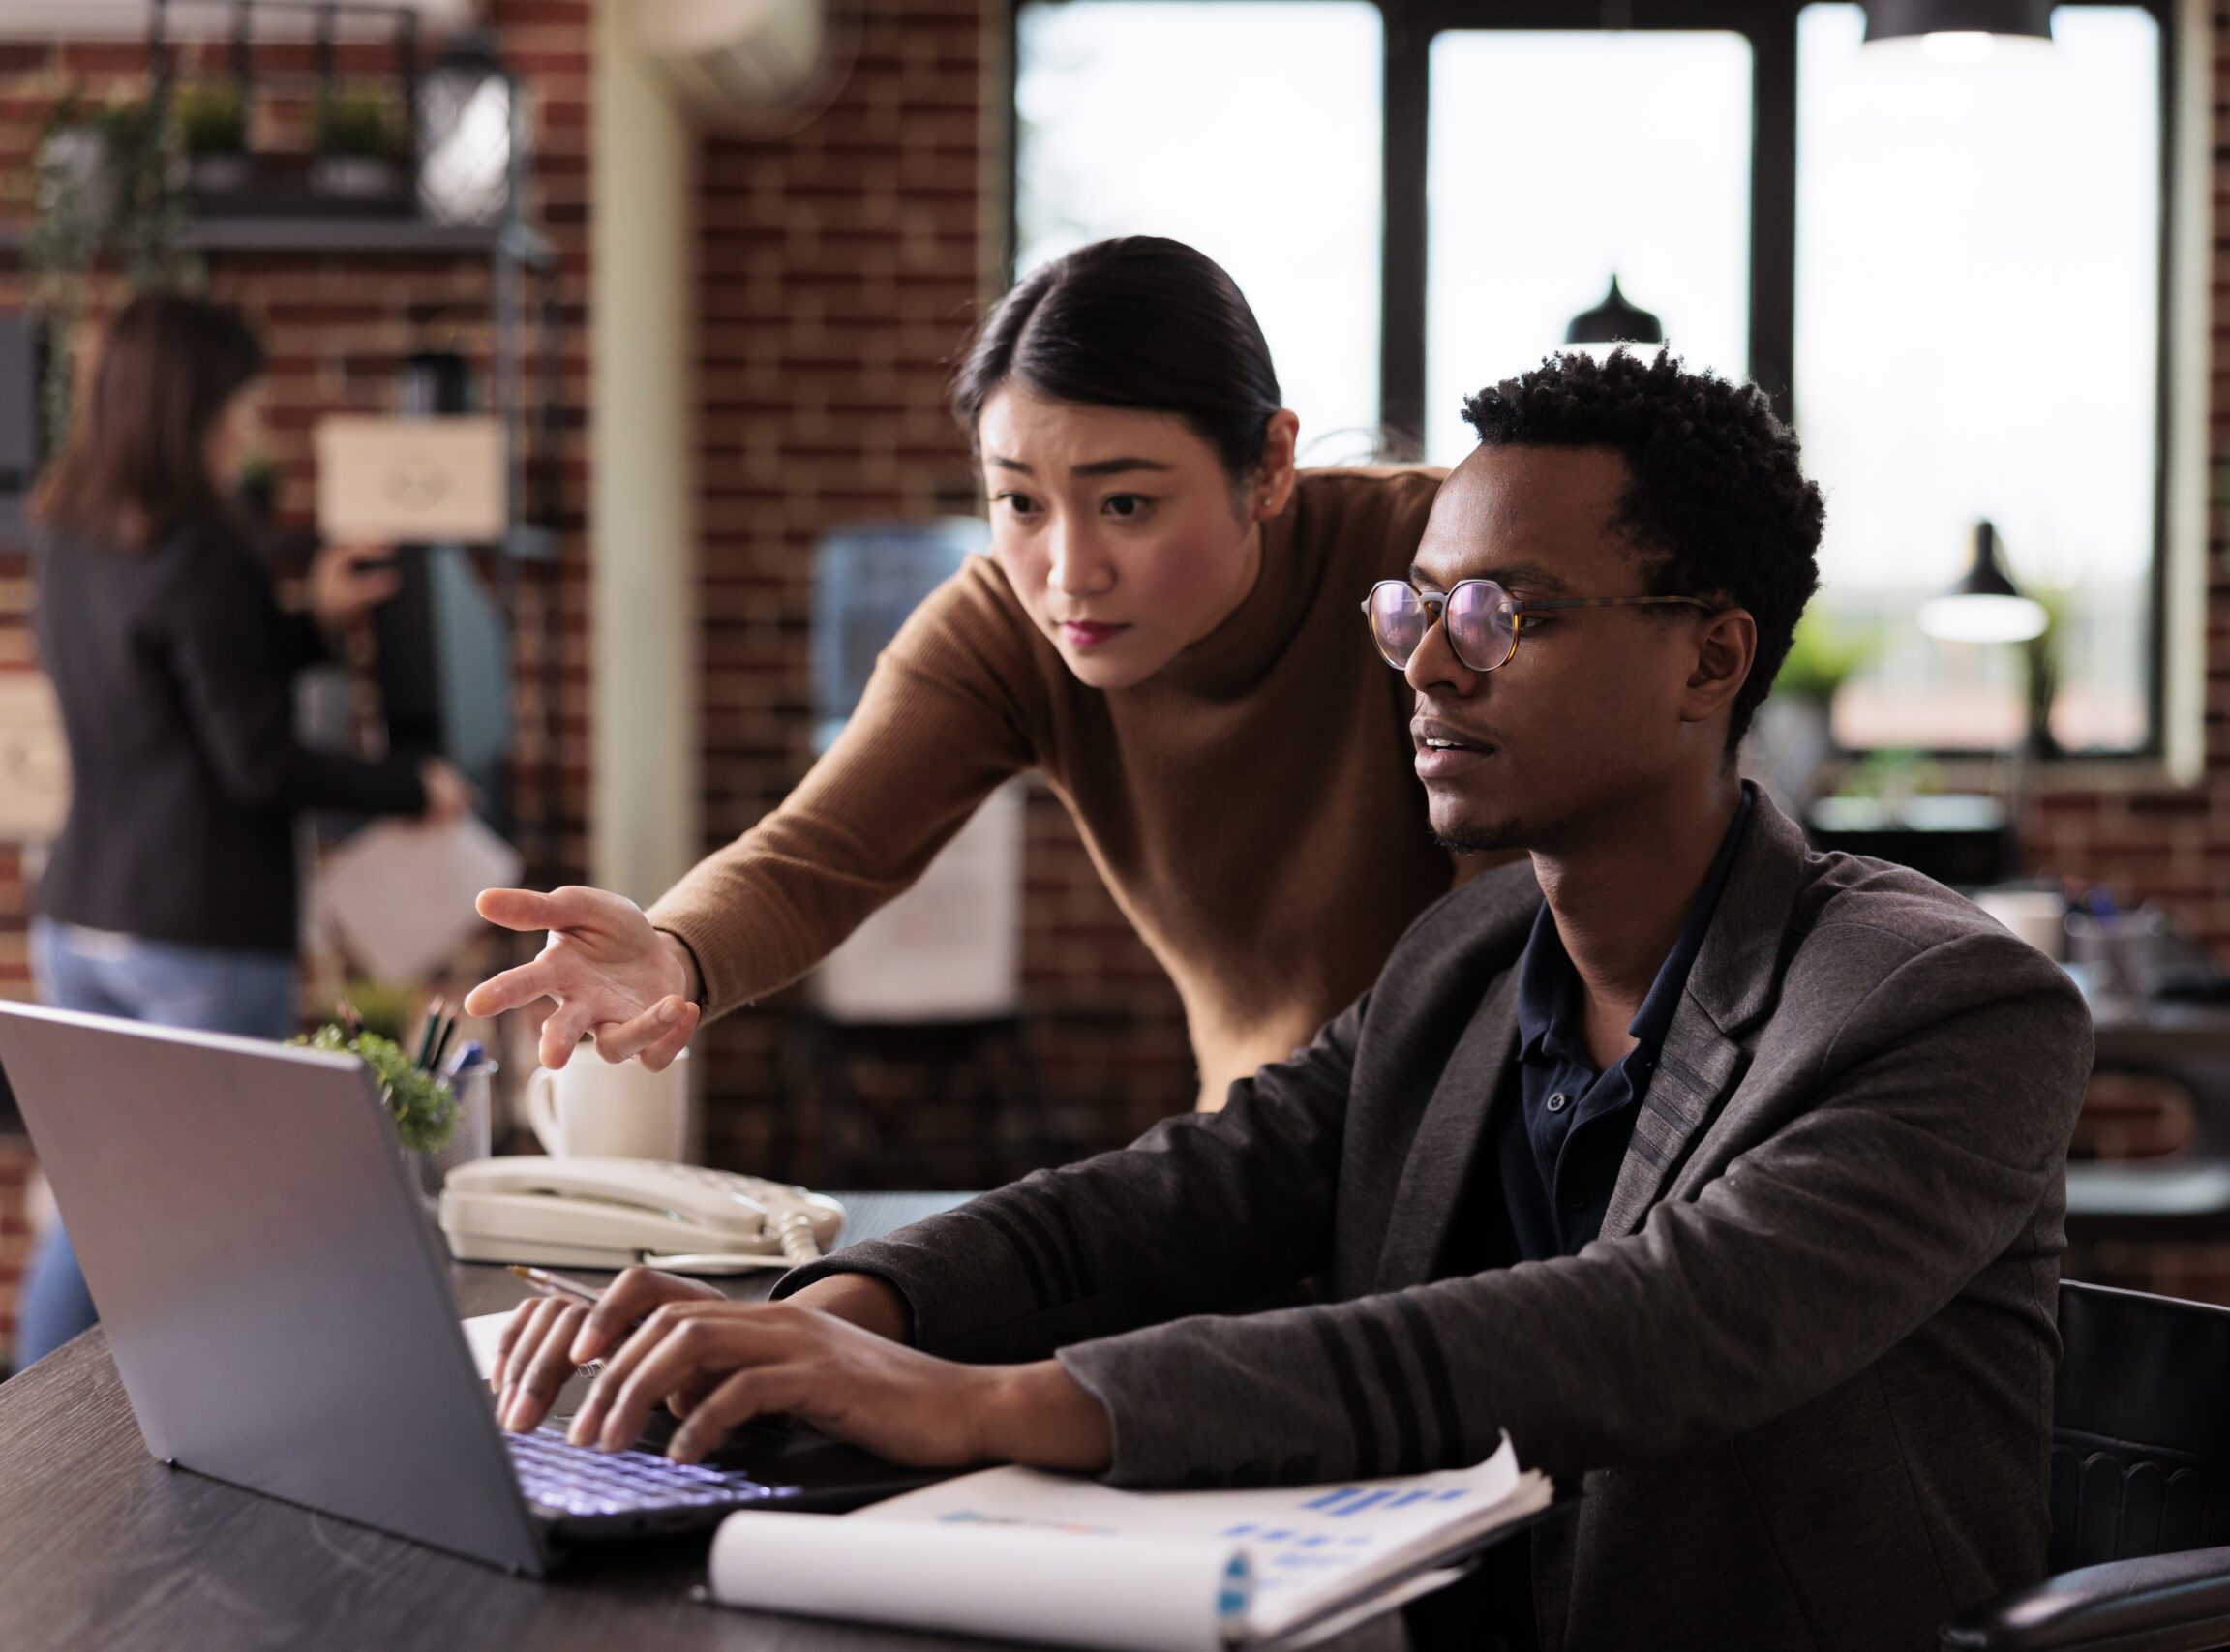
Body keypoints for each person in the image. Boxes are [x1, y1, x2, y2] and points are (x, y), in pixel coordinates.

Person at [492, 350, 2094, 1648]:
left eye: (1502, 615)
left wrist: (988, 1401)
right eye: (1417, 610)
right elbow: (1181, 1194)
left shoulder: (1945, 1004)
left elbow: (1650, 1328)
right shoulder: (1466, 958)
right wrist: (841, 1317)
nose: (1429, 669)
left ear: (1711, 658)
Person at [463, 236, 1470, 1108]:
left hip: (1493, 1144)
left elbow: (1525, 935)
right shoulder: (1004, 620)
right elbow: (818, 856)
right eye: (1020, 503)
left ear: (1268, 467)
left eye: (1125, 504)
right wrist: (673, 951)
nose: (1068, 574)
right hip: (1265, 1149)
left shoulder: (1430, 563)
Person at [15, 293, 467, 1368]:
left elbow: (183, 689)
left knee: (99, 1201)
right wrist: (413, 787)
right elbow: (255, 762)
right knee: (218, 1213)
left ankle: (26, 1443)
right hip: (200, 928)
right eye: (245, 403)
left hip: (82, 916)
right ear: (199, 407)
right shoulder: (207, 550)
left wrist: (308, 623)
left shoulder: (69, 533)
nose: (255, 426)